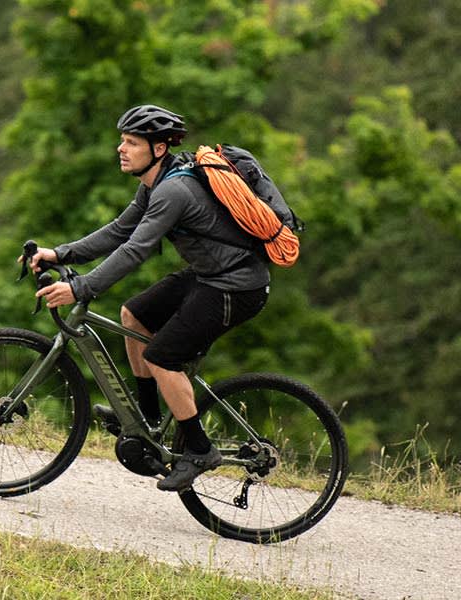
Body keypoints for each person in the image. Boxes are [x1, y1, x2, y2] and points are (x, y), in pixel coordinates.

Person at [24, 104, 275, 492]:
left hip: (236, 287)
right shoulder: (157, 183)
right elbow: (120, 231)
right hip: (211, 274)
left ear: (158, 149)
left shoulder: (174, 190)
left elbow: (135, 250)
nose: (121, 149)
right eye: (122, 141)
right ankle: (147, 416)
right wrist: (61, 253)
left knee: (163, 356)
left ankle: (198, 449)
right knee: (133, 314)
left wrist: (80, 287)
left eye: (131, 142)